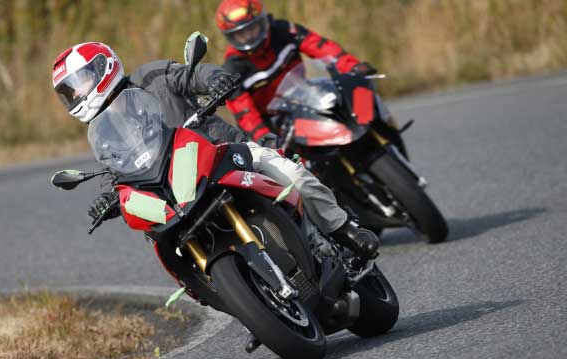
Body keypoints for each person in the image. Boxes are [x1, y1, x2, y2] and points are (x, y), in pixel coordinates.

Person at [51, 41, 379, 260]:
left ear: (103, 67)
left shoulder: (151, 77)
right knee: (166, 243)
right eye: (69, 92)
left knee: (290, 173)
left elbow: (191, 75)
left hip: (223, 153)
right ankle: (247, 305)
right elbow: (116, 169)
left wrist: (216, 80)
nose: (76, 95)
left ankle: (344, 230)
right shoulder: (103, 131)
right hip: (172, 189)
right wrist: (110, 197)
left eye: (78, 83)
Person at [216, 0, 395, 142]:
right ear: (231, 37)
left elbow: (319, 46)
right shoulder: (232, 68)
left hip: (305, 97)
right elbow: (245, 113)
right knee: (298, 169)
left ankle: (389, 135)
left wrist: (352, 66)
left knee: (361, 94)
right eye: (241, 33)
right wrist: (264, 137)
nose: (249, 36)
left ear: (261, 22)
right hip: (275, 124)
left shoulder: (283, 30)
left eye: (252, 28)